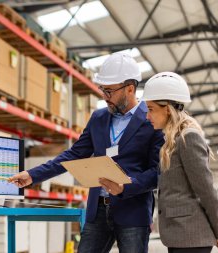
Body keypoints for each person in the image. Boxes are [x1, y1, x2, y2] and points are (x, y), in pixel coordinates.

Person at [9, 52, 164, 253]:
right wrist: (33, 175)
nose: (104, 96)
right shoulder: (98, 118)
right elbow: (73, 154)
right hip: (97, 210)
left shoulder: (152, 121)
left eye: (109, 91)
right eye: (102, 90)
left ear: (130, 89)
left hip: (132, 212)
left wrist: (126, 186)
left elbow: (157, 173)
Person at [142, 72, 218, 253]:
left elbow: (205, 189)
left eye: (150, 109)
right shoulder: (172, 140)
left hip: (192, 237)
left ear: (167, 108)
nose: (147, 116)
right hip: (180, 235)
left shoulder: (188, 138)